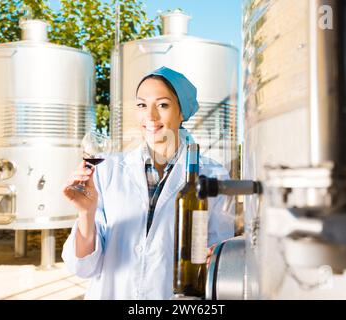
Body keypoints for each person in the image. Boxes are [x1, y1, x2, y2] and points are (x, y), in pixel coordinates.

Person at [62, 66, 234, 300]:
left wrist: (214, 257)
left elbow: (218, 262)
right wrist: (86, 213)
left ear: (182, 112)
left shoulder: (213, 175)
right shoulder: (107, 171)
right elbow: (83, 267)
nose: (150, 117)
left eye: (162, 105)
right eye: (142, 105)